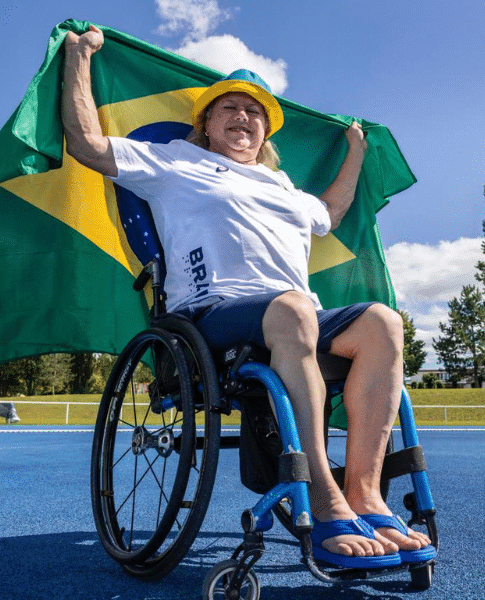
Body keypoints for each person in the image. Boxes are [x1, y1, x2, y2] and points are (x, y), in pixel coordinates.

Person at [62, 25, 434, 569]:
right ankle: (326, 496)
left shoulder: (281, 186)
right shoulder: (171, 162)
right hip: (211, 315)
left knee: (384, 323)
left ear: (266, 131)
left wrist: (355, 150)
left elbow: (329, 214)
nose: (243, 117)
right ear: (206, 124)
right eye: (229, 108)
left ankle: (365, 494)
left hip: (293, 317)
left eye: (254, 112)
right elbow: (86, 145)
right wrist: (80, 57)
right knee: (293, 309)